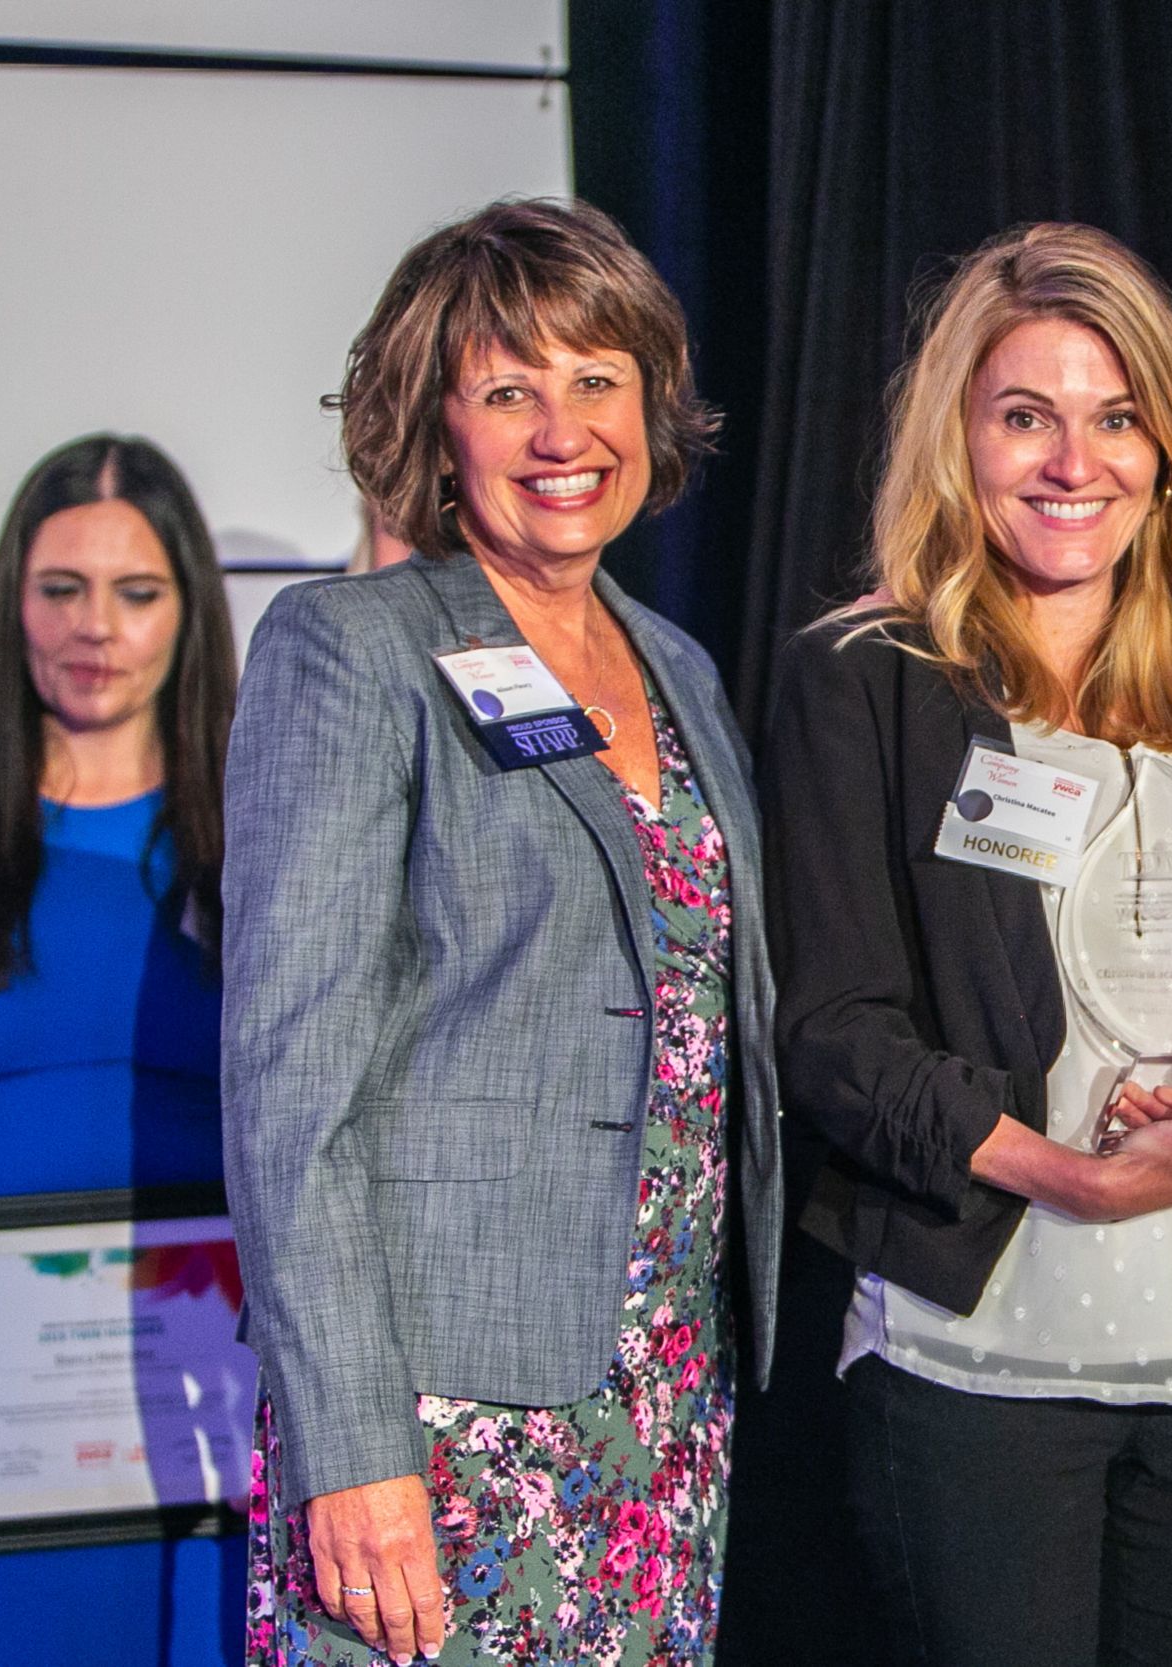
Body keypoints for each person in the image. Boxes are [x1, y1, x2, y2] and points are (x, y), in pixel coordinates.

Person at [768, 222, 1172, 1667]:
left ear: (1168, 450)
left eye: (1115, 416)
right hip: (987, 1345)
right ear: (959, 441)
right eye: (1025, 416)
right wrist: (1069, 1168)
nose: (1074, 461)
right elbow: (834, 1031)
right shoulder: (869, 682)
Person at [223, 198, 781, 1667]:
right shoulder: (353, 649)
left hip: (662, 1398)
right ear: (437, 424)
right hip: (438, 1417)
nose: (563, 427)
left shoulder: (680, 670)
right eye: (509, 388)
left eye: (597, 378)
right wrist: (349, 1444)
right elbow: (291, 1089)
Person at [0, 434, 243, 1665]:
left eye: (136, 591)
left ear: (190, 614)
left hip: (214, 1443)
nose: (94, 627)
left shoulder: (271, 852)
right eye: (61, 587)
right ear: (12, 600)